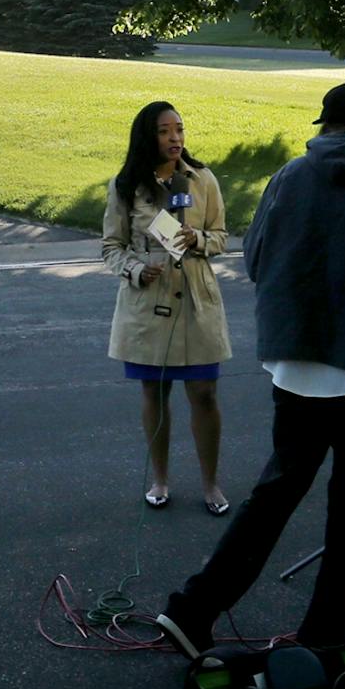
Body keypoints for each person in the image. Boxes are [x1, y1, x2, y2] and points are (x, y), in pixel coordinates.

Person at [153, 80, 345, 658]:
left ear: (326, 127)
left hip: (294, 364)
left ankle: (193, 609)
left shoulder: (291, 175)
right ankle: (322, 638)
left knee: (274, 495)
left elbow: (258, 259)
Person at [102, 99, 233, 516]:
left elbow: (221, 237)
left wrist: (199, 240)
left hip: (196, 297)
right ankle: (160, 479)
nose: (175, 137)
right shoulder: (127, 185)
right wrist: (136, 269)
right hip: (149, 303)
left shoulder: (202, 179)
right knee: (155, 392)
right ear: (147, 136)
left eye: (179, 129)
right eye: (164, 130)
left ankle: (210, 483)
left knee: (204, 393)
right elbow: (111, 247)